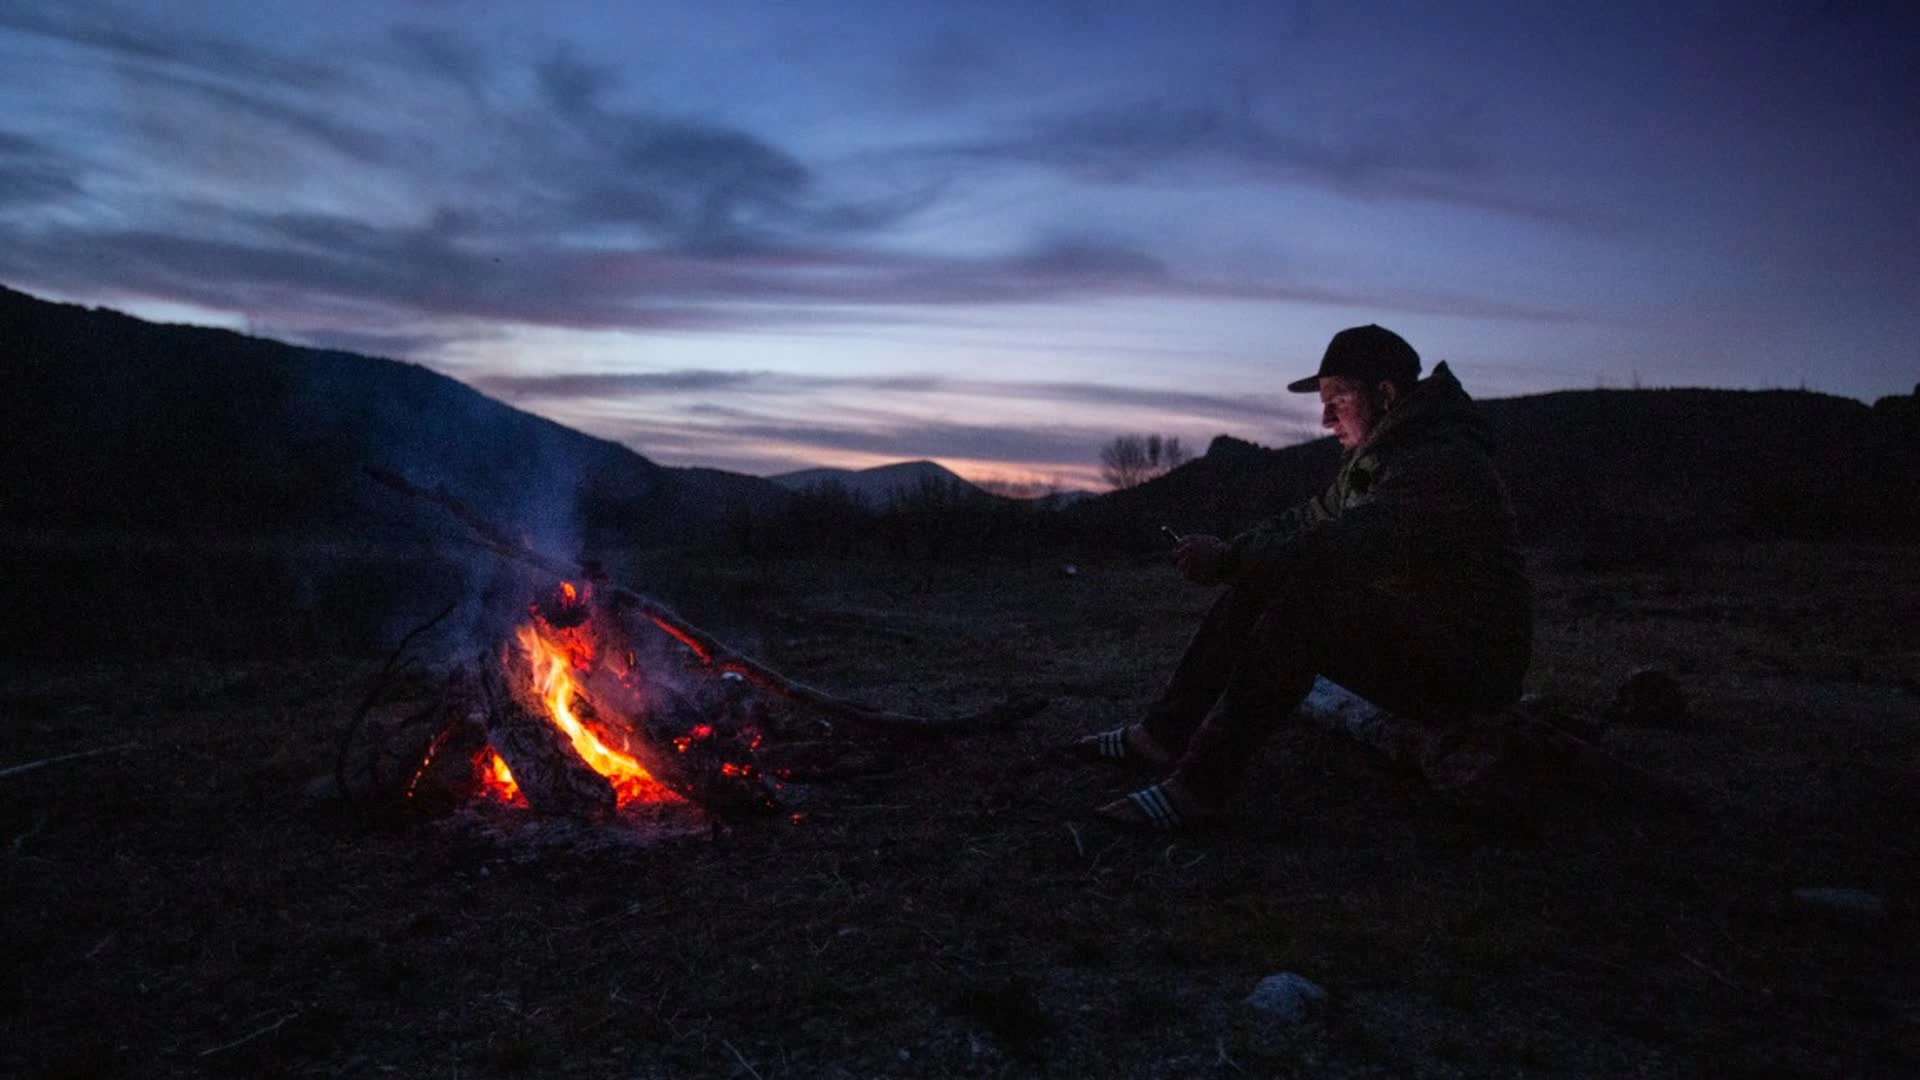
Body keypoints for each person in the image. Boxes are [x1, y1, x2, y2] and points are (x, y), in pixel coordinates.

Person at [1075, 324, 1533, 829]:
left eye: (1337, 398)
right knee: (1259, 584)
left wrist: (1227, 562)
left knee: (1304, 608)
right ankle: (1160, 735)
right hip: (1423, 638)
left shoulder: (1440, 463)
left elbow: (1340, 546)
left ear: (1384, 394)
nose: (1324, 417)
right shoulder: (1380, 458)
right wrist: (1231, 554)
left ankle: (1200, 789)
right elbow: (1306, 521)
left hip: (1470, 668)